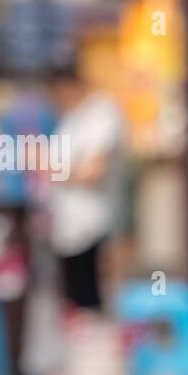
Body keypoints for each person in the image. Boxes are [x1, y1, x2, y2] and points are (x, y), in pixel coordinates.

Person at [45, 60, 124, 313]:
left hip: (92, 225)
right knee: (73, 306)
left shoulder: (102, 114)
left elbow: (94, 171)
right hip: (66, 227)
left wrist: (54, 170)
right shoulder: (70, 117)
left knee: (91, 306)